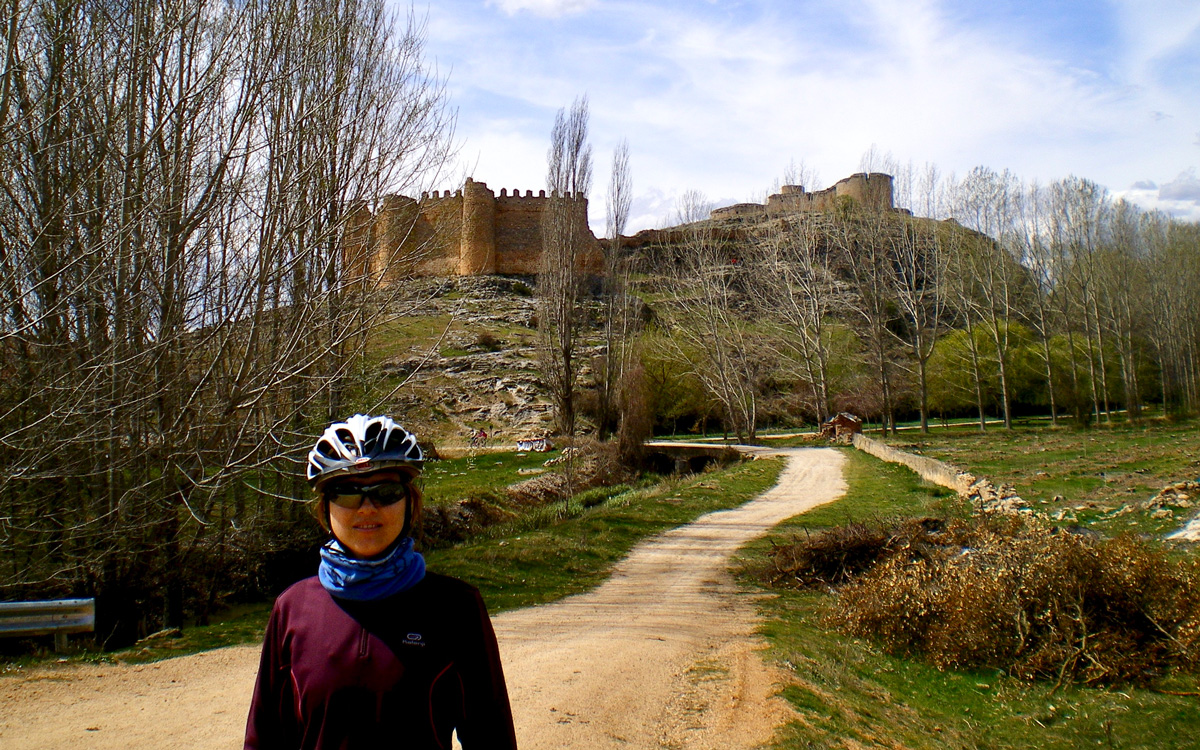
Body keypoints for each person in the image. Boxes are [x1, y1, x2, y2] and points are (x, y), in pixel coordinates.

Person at [245, 414, 518, 750]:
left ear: (410, 502)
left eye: (386, 492)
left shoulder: (457, 607)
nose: (367, 508)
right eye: (347, 493)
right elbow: (264, 738)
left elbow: (492, 738)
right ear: (325, 507)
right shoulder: (292, 609)